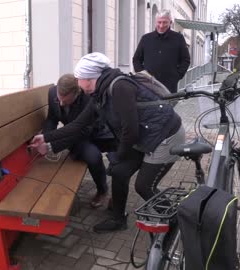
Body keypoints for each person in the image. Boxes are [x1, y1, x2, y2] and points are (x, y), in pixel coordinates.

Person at [31, 52, 185, 233]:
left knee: (144, 186)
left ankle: (178, 222)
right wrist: (46, 138)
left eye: (79, 79)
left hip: (165, 135)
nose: (78, 84)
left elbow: (130, 131)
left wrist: (119, 155)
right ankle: (118, 220)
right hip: (144, 136)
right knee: (119, 172)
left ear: (89, 79)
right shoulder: (99, 93)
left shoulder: (119, 87)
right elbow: (78, 124)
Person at [34, 74, 116, 208]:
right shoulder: (52, 92)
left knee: (94, 157)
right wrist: (45, 137)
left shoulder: (88, 97)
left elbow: (84, 131)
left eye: (65, 101)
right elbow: (52, 118)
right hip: (71, 136)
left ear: (76, 93)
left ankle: (102, 190)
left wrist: (52, 146)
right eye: (59, 100)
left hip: (92, 134)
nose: (61, 104)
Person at [132, 10, 190, 93]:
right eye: (159, 22)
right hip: (148, 85)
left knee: (168, 105)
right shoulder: (146, 39)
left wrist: (177, 76)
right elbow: (136, 59)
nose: (161, 26)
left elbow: (185, 60)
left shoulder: (178, 38)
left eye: (165, 22)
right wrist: (143, 76)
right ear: (156, 22)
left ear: (170, 22)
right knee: (149, 106)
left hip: (169, 86)